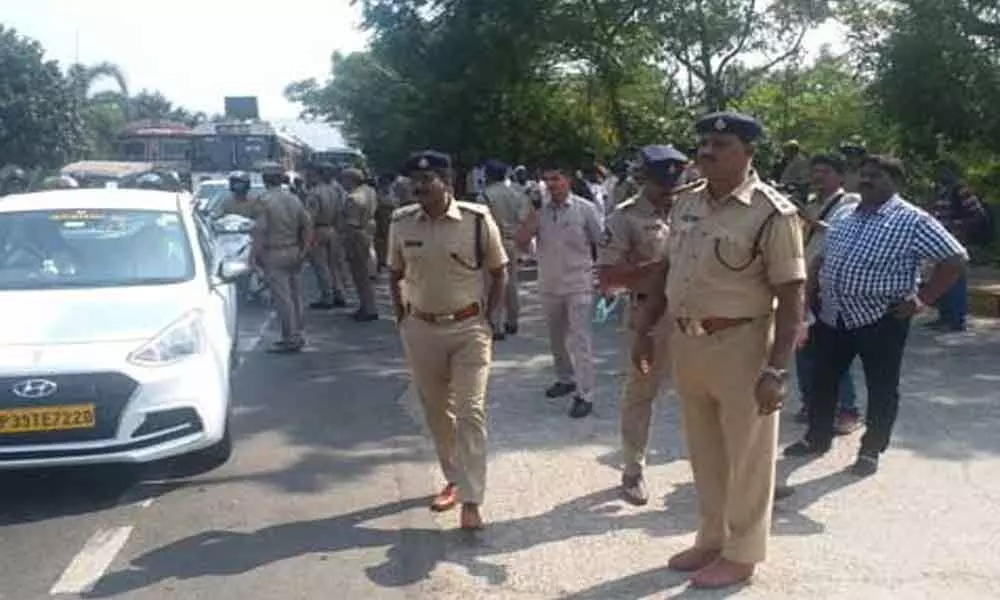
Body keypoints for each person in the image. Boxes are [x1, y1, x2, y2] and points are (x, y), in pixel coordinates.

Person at [632, 111, 806, 588]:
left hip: (743, 344)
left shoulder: (772, 212)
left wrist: (777, 369)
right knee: (705, 450)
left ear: (748, 153)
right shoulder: (687, 202)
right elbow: (666, 269)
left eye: (720, 144)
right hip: (688, 341)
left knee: (748, 455)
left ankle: (743, 552)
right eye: (704, 142)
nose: (706, 151)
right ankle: (711, 538)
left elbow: (792, 296)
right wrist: (645, 328)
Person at [784, 155, 967, 477]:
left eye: (877, 176)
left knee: (881, 387)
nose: (867, 181)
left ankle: (871, 450)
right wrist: (808, 304)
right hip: (833, 315)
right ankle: (817, 437)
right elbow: (820, 262)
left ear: (896, 182)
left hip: (881, 319)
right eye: (864, 175)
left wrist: (922, 299)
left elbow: (955, 258)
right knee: (822, 380)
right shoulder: (845, 214)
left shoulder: (912, 220)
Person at [388, 150, 508, 530]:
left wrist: (490, 318)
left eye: (429, 179)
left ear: (448, 181)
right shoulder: (402, 222)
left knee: (471, 413)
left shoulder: (476, 220)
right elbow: (394, 273)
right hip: (421, 329)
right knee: (438, 413)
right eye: (416, 181)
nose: (420, 186)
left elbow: (500, 271)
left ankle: (472, 499)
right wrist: (402, 319)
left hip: (468, 329)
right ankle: (454, 479)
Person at [596, 144, 690, 506]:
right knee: (641, 392)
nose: (669, 189)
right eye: (660, 182)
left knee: (709, 389)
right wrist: (658, 268)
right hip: (648, 316)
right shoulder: (624, 217)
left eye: (675, 180)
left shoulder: (695, 208)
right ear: (642, 179)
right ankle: (633, 469)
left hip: (697, 312)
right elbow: (609, 276)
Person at [516, 161, 603, 419]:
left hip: (579, 283)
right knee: (556, 339)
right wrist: (532, 213)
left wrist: (604, 276)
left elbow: (602, 240)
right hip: (549, 284)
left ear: (568, 180)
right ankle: (565, 379)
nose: (551, 184)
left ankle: (585, 394)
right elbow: (522, 243)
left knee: (580, 340)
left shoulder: (585, 209)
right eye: (547, 180)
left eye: (556, 179)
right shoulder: (539, 212)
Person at [795, 154, 862, 433]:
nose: (818, 176)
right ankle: (811, 401)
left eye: (824, 171)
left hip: (830, 284)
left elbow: (844, 234)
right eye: (815, 171)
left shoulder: (849, 203)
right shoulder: (812, 203)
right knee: (802, 346)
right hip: (804, 281)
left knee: (832, 351)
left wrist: (808, 218)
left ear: (840, 176)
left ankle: (847, 410)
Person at [252, 163, 314, 353]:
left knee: (282, 299)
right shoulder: (294, 199)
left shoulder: (264, 201)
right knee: (295, 296)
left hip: (275, 252)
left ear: (265, 180)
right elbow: (308, 225)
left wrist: (254, 256)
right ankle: (299, 333)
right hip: (294, 250)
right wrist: (304, 249)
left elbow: (260, 231)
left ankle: (290, 337)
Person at [481, 159, 530, 340]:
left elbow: (484, 223)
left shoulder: (485, 195)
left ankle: (496, 324)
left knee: (493, 283)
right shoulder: (517, 193)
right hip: (512, 240)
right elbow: (524, 217)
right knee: (512, 282)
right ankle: (513, 320)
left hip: (493, 241)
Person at [304, 162, 348, 309]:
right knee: (334, 265)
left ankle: (327, 297)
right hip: (332, 229)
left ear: (318, 175)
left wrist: (307, 238)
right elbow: (341, 212)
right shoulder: (335, 191)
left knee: (321, 266)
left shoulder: (314, 193)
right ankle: (339, 293)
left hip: (318, 230)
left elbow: (310, 218)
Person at [341, 168, 379, 321]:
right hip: (367, 232)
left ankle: (368, 307)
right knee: (364, 274)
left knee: (359, 275)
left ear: (351, 180)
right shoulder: (369, 191)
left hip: (356, 236)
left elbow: (351, 224)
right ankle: (367, 306)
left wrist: (347, 245)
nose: (342, 183)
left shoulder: (353, 198)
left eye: (344, 179)